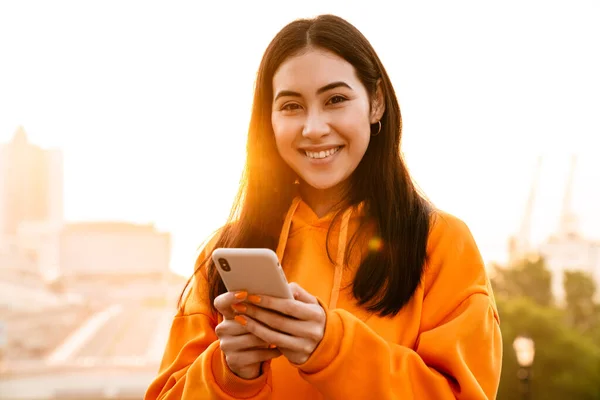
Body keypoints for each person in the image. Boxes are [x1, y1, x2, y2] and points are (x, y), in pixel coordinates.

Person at [145, 14, 502, 400]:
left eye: (335, 100)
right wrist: (227, 375)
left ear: (376, 103)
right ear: (269, 119)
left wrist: (332, 349)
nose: (313, 127)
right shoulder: (223, 255)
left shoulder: (441, 243)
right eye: (291, 106)